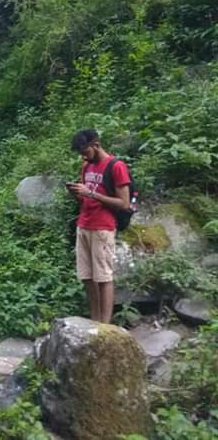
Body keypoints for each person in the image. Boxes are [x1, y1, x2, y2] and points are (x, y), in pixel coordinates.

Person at [67, 129, 130, 324]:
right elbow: (85, 199)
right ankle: (94, 320)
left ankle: (105, 325)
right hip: (84, 224)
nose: (83, 156)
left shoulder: (116, 166)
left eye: (85, 152)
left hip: (103, 226)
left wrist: (91, 194)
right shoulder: (87, 166)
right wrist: (77, 193)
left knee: (103, 276)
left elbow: (124, 203)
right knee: (86, 276)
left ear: (96, 145)